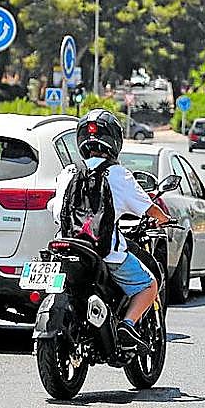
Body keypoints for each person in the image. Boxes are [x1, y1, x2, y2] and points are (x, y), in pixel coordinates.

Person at [54, 108, 171, 346]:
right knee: (149, 285)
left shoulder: (68, 173)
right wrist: (164, 219)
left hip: (66, 247)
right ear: (115, 141)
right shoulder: (118, 175)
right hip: (106, 252)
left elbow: (56, 211)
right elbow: (149, 210)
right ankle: (128, 324)